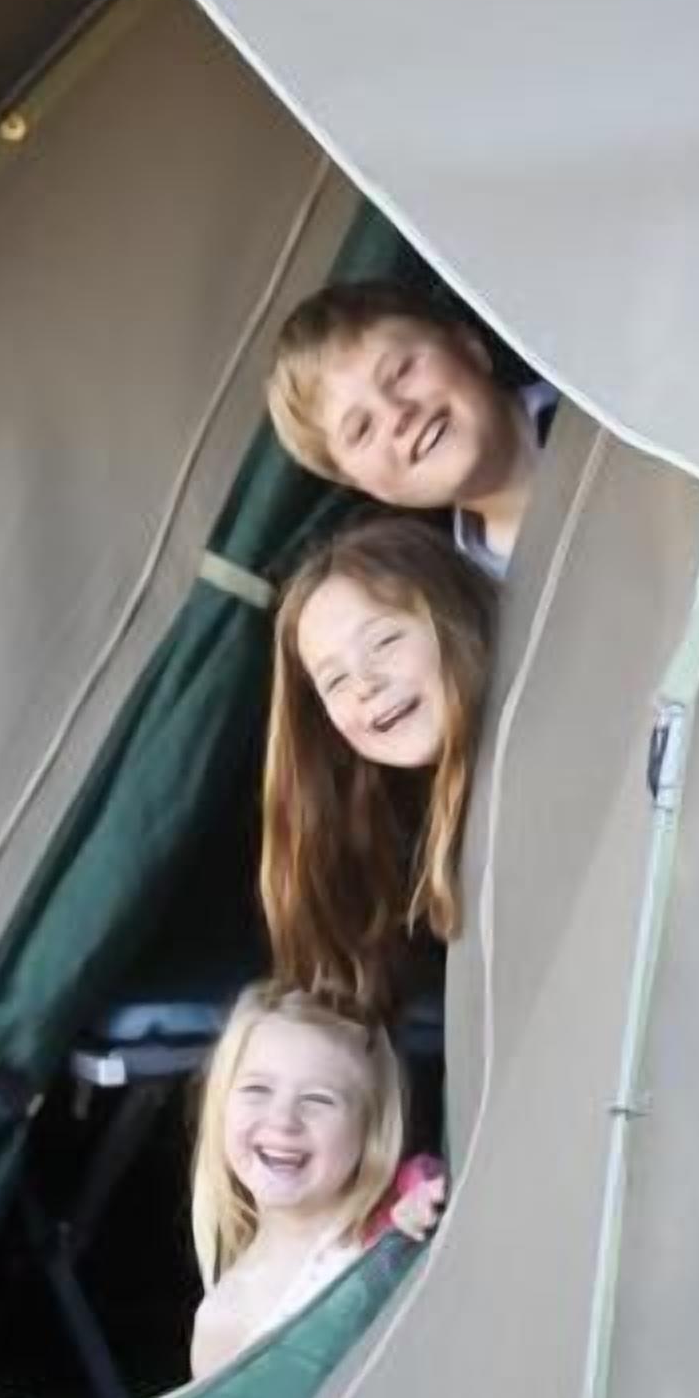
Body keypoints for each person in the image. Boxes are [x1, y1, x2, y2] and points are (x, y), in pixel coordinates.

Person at [261, 516, 495, 1012]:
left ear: (457, 617)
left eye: (385, 641)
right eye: (335, 681)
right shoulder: (390, 839)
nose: (365, 683)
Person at [189, 983, 443, 1380]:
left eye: (318, 1100)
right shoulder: (224, 1318)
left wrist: (419, 1214)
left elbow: (428, 1189)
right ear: (220, 1106)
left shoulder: (389, 1222)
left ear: (369, 1130)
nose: (283, 1120)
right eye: (257, 1089)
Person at [266, 280, 555, 579]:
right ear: (365, 486)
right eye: (362, 429)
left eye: (401, 371)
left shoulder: (593, 394)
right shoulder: (474, 600)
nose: (397, 414)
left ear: (470, 347)